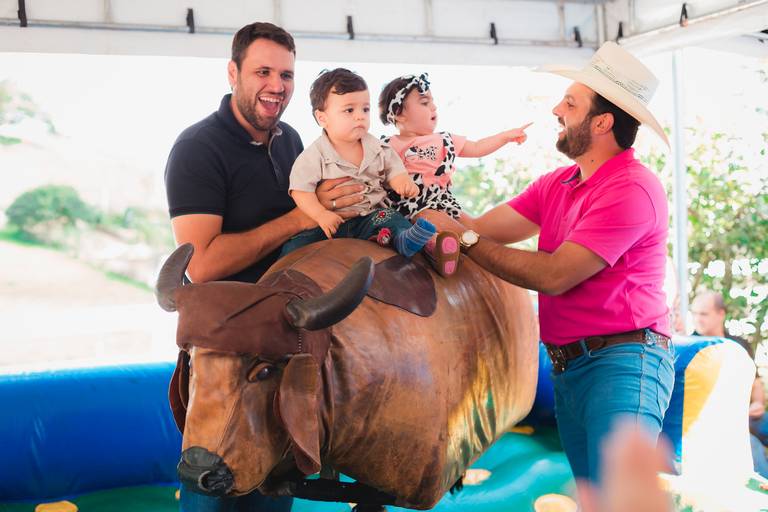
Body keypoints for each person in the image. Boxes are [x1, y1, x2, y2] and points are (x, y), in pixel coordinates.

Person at [419, 41, 675, 493]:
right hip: (570, 368)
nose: (557, 110)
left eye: (571, 103)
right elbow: (477, 227)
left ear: (602, 122)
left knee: (620, 500)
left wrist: (463, 238)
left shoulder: (633, 188)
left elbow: (554, 275)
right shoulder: (557, 184)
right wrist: (418, 193)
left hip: (624, 363)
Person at [164, 22, 356, 512]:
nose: (277, 86)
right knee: (214, 487)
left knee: (272, 492)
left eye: (287, 75)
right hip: (224, 357)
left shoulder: (292, 139)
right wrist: (302, 215)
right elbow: (202, 265)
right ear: (233, 73)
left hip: (280, 347)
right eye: (263, 72)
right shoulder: (197, 148)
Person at [282, 68, 443, 265]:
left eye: (365, 109)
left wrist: (401, 181)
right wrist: (320, 214)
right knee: (295, 247)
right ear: (322, 118)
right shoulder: (314, 155)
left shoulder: (378, 148)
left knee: (392, 217)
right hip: (329, 222)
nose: (360, 116)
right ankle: (279, 276)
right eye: (349, 110)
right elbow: (300, 191)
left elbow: (394, 168)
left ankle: (405, 239)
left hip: (370, 217)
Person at [377, 73, 531, 225]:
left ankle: (449, 239)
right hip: (403, 207)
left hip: (440, 204)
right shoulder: (386, 145)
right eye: (424, 103)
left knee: (469, 228)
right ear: (399, 114)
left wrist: (505, 136)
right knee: (414, 223)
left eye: (432, 102)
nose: (434, 107)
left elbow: (477, 147)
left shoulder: (444, 140)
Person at [691, 290, 768, 477]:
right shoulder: (690, 346)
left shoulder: (739, 345)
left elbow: (756, 384)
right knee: (753, 447)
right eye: (694, 314)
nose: (697, 319)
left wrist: (758, 403)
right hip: (714, 422)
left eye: (703, 314)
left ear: (721, 314)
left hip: (747, 415)